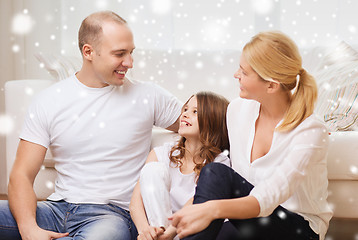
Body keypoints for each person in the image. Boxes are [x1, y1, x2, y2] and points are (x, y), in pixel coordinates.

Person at [0, 11, 182, 240]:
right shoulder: (49, 100)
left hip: (111, 216)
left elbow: (205, 123)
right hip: (56, 210)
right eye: (120, 54)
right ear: (88, 52)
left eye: (131, 52)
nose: (129, 63)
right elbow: (21, 175)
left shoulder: (149, 96)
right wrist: (29, 230)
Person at [170, 31, 333, 240]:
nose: (236, 74)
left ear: (271, 85)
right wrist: (174, 229)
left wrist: (213, 209)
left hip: (299, 229)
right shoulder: (238, 110)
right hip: (251, 220)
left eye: (244, 72)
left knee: (216, 175)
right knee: (217, 181)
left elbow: (269, 196)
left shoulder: (310, 131)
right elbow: (221, 183)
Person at [130, 91, 231, 240]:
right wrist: (145, 231)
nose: (185, 114)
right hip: (157, 228)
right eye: (185, 109)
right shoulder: (160, 153)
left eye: (195, 111)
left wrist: (171, 233)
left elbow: (197, 201)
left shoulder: (220, 163)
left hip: (191, 232)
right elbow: (136, 202)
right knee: (153, 170)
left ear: (212, 121)